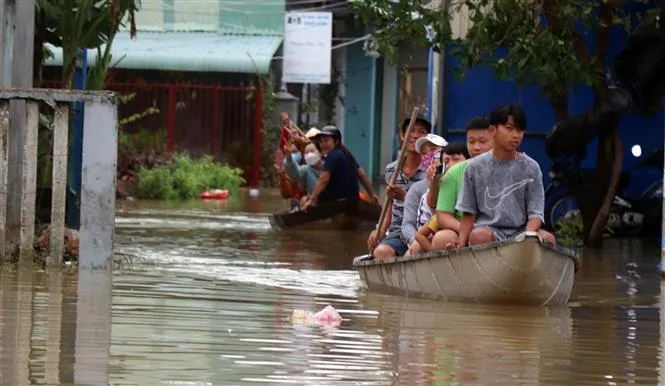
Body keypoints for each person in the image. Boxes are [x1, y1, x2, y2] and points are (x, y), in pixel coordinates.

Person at [455, 103, 556, 247]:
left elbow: (536, 213)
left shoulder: (531, 167)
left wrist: (528, 237)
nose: (516, 135)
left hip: (522, 231)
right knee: (479, 236)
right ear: (492, 130)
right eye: (509, 128)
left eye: (520, 130)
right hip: (489, 230)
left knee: (548, 239)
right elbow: (468, 213)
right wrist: (460, 243)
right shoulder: (475, 167)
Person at [367, 116, 431, 259]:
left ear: (426, 139)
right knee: (380, 252)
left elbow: (433, 204)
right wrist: (380, 231)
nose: (414, 135)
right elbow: (389, 204)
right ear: (402, 135)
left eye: (421, 132)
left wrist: (405, 197)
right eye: (410, 131)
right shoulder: (392, 170)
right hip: (397, 232)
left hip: (424, 231)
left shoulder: (431, 170)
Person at [431, 116, 493, 250]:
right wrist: (465, 230)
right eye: (471, 141)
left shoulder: (510, 169)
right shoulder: (454, 172)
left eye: (483, 141)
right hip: (462, 228)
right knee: (442, 239)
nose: (476, 147)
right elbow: (442, 215)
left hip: (496, 229)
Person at [406, 142, 469, 255]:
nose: (450, 165)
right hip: (442, 236)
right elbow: (419, 233)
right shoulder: (440, 184)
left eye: (456, 159)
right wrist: (434, 253)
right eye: (446, 161)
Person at [400, 134, 448, 254]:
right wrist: (414, 241)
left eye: (433, 150)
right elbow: (407, 224)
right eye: (424, 153)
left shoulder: (456, 179)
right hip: (423, 238)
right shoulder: (416, 189)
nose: (428, 156)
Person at [302, 126, 359, 209]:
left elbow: (323, 180)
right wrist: (371, 194)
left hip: (336, 202)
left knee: (305, 201)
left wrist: (311, 200)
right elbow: (362, 174)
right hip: (353, 200)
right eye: (321, 142)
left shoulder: (332, 155)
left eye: (326, 141)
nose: (323, 144)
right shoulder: (346, 154)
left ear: (336, 141)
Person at [284, 142, 324, 207]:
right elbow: (295, 173)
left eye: (312, 151)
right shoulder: (306, 170)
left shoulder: (329, 166)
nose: (309, 154)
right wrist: (289, 157)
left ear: (320, 152)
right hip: (314, 205)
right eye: (306, 153)